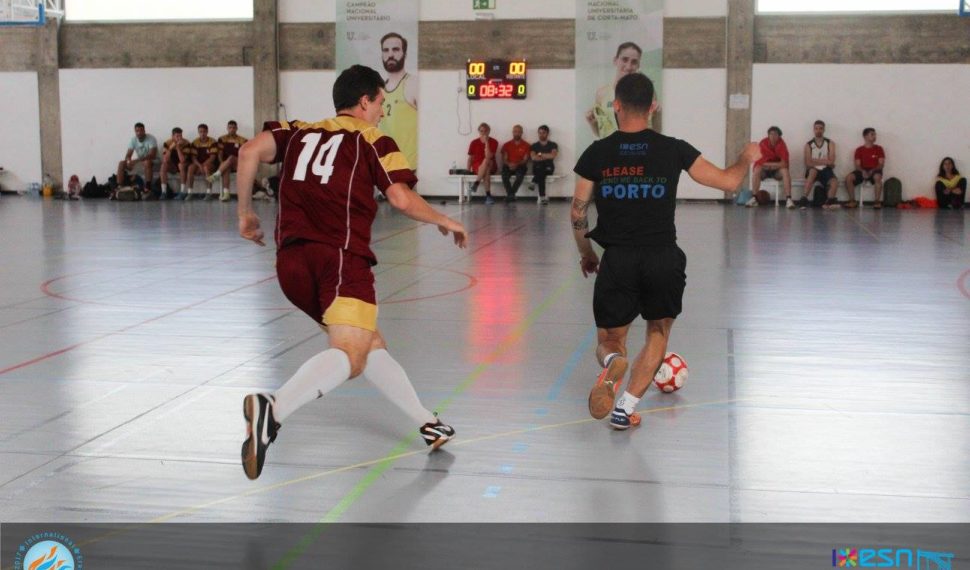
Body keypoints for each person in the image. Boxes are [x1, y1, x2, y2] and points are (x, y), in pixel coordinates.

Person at [234, 64, 467, 480]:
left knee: (368, 342)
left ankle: (427, 422)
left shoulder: (298, 131)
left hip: (291, 264)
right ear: (364, 101)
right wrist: (444, 220)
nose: (382, 112)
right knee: (351, 354)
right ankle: (274, 408)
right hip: (339, 259)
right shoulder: (373, 139)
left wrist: (245, 212)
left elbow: (249, 151)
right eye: (381, 103)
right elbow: (400, 197)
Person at [571, 72, 759, 430]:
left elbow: (577, 211)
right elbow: (729, 182)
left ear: (616, 106)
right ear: (653, 107)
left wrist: (587, 253)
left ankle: (612, 361)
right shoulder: (674, 148)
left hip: (619, 259)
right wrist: (745, 156)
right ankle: (625, 408)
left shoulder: (597, 152)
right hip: (663, 257)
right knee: (658, 332)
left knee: (610, 339)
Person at [377, 32, 418, 172]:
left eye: (395, 49)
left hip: (408, 169)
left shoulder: (413, 84)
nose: (390, 54)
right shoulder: (378, 90)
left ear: (404, 54)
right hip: (385, 169)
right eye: (386, 50)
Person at [585, 42, 641, 139]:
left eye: (634, 62)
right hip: (610, 148)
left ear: (638, 65)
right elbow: (602, 133)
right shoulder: (602, 94)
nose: (628, 66)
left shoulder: (645, 94)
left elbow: (653, 132)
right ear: (615, 60)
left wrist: (658, 114)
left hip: (636, 147)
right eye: (625, 59)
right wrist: (593, 124)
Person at [795, 120, 839, 210]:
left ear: (824, 130)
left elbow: (831, 161)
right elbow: (808, 163)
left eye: (821, 128)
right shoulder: (809, 145)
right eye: (816, 128)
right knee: (812, 172)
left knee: (834, 182)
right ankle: (804, 199)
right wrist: (826, 161)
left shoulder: (830, 143)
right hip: (813, 169)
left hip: (826, 169)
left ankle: (829, 202)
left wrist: (815, 160)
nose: (818, 130)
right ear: (814, 130)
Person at [748, 126, 793, 209]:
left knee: (785, 171)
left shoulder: (782, 144)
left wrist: (770, 165)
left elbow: (784, 164)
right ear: (768, 135)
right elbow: (759, 162)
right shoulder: (763, 143)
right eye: (771, 134)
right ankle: (754, 198)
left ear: (779, 136)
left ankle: (788, 199)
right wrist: (775, 164)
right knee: (757, 168)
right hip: (765, 171)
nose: (773, 136)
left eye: (775, 134)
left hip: (776, 172)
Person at [207, 120, 248, 202]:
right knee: (226, 169)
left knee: (231, 157)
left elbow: (245, 155)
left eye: (233, 128)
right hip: (227, 163)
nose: (232, 129)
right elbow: (220, 153)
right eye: (230, 128)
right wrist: (222, 162)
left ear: (236, 128)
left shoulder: (242, 140)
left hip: (238, 163)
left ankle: (216, 175)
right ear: (227, 128)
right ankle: (226, 194)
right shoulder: (222, 139)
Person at [845, 127, 885, 209]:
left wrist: (872, 171)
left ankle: (877, 202)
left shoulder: (879, 149)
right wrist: (863, 171)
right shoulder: (859, 150)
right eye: (872, 134)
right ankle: (852, 201)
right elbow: (857, 165)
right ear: (865, 136)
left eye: (875, 135)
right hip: (862, 170)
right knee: (849, 178)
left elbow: (881, 164)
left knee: (877, 177)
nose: (874, 136)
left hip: (875, 170)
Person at [183, 123, 219, 201]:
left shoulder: (213, 142)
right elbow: (193, 158)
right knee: (190, 168)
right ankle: (190, 192)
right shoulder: (195, 142)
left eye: (204, 131)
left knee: (206, 168)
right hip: (198, 164)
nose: (202, 133)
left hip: (210, 164)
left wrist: (202, 166)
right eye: (200, 132)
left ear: (207, 132)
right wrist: (199, 166)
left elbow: (212, 158)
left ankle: (209, 193)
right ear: (198, 132)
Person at [116, 122, 158, 189]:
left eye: (141, 130)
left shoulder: (151, 138)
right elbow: (128, 154)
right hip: (141, 161)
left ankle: (148, 187)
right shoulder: (133, 140)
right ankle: (119, 187)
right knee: (121, 163)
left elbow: (152, 155)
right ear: (135, 132)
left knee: (147, 162)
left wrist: (136, 161)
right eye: (137, 131)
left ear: (144, 131)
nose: (139, 133)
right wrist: (128, 161)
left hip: (153, 160)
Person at [467, 122, 498, 204]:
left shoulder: (494, 142)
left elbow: (489, 156)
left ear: (489, 131)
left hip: (491, 165)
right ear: (479, 131)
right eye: (481, 131)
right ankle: (488, 196)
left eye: (485, 131)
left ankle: (476, 183)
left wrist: (486, 142)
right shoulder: (474, 142)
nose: (483, 133)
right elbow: (470, 158)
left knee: (487, 160)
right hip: (478, 166)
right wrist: (468, 170)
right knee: (486, 170)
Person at [500, 124, 531, 203]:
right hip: (508, 165)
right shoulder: (506, 145)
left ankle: (510, 195)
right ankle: (511, 195)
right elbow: (504, 159)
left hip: (520, 165)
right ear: (512, 132)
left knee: (520, 176)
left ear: (522, 133)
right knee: (504, 175)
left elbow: (525, 160)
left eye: (519, 132)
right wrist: (509, 164)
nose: (517, 133)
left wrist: (516, 164)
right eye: (515, 131)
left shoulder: (526, 145)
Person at [530, 124, 558, 205]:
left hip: (549, 168)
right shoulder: (534, 145)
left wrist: (540, 154)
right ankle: (542, 198)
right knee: (541, 172)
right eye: (540, 133)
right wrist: (546, 156)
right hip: (537, 168)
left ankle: (534, 182)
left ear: (547, 133)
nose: (541, 135)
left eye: (543, 133)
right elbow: (533, 157)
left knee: (541, 172)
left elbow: (553, 155)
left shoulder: (553, 144)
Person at [160, 127, 189, 200]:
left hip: (184, 165)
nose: (179, 138)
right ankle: (164, 192)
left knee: (181, 165)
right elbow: (165, 159)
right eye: (177, 136)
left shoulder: (186, 143)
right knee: (163, 165)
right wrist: (170, 148)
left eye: (181, 136)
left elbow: (182, 160)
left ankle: (182, 192)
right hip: (172, 165)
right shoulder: (167, 143)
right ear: (172, 136)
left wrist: (178, 148)